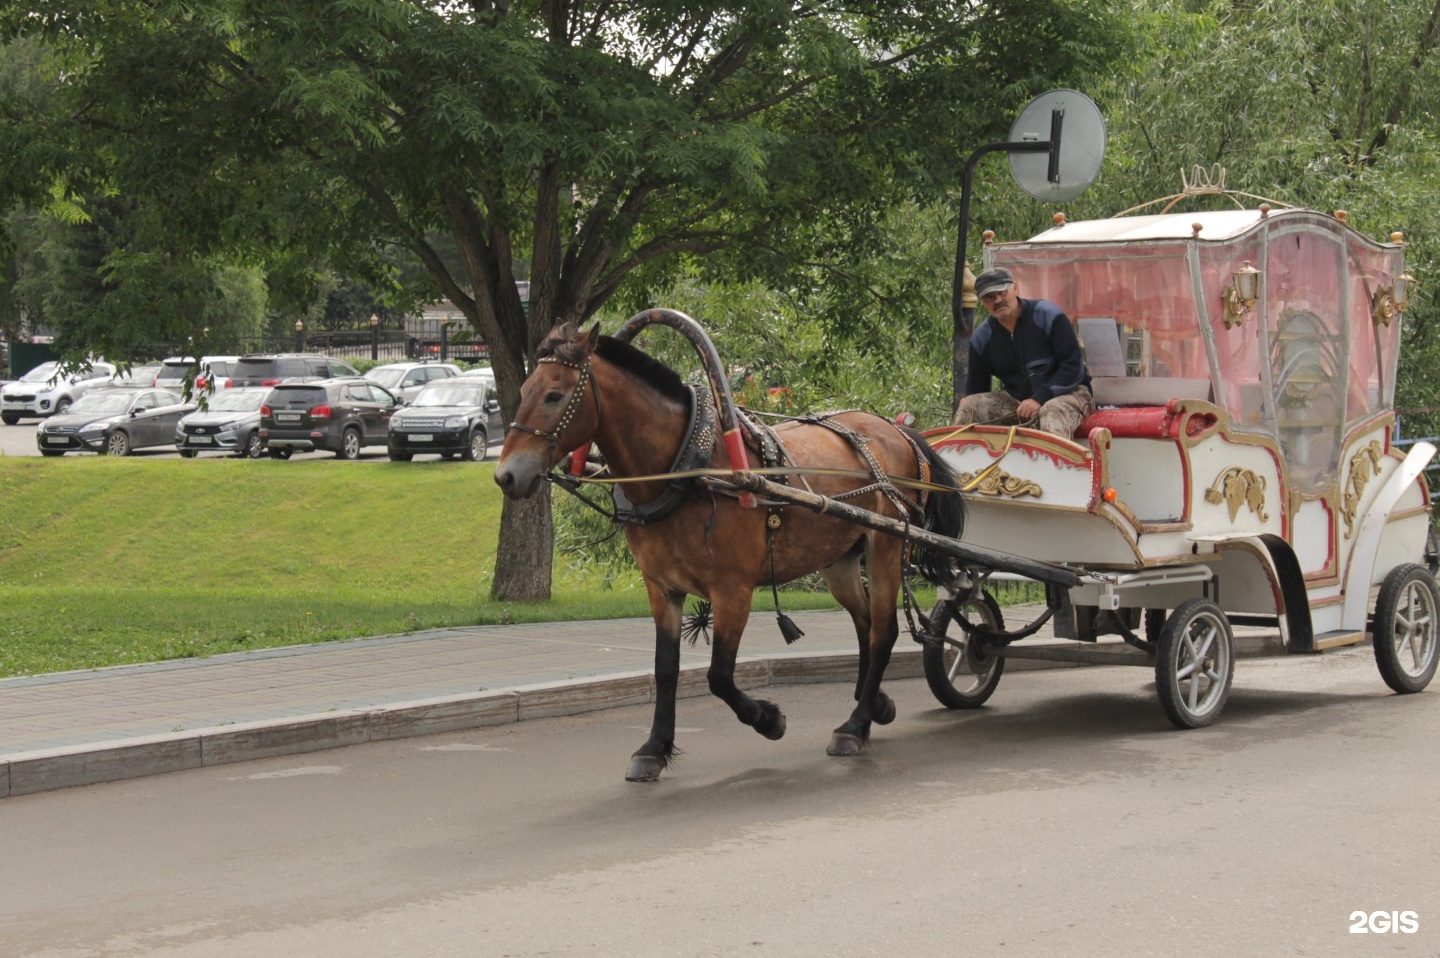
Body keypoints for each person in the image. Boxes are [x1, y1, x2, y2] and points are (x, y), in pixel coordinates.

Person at [953, 266, 1092, 438]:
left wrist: (1039, 398)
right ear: (983, 302)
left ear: (1015, 288)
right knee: (970, 406)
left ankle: (1050, 464)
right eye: (990, 297)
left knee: (1051, 411)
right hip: (1019, 402)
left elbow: (1073, 368)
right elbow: (976, 389)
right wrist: (969, 404)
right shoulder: (982, 339)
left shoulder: (1048, 315)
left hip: (1070, 394)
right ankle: (961, 463)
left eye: (1002, 293)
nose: (997, 300)